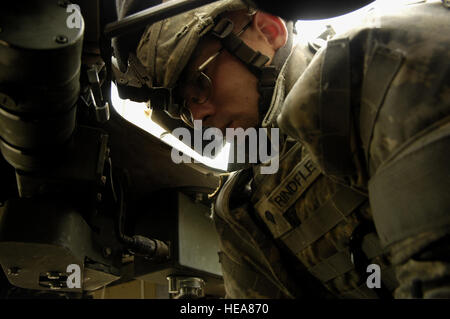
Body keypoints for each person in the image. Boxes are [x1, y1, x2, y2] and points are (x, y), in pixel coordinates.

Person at [114, 0, 450, 298]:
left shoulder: (383, 57)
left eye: (199, 83)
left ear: (269, 30)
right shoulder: (240, 210)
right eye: (185, 107)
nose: (197, 118)